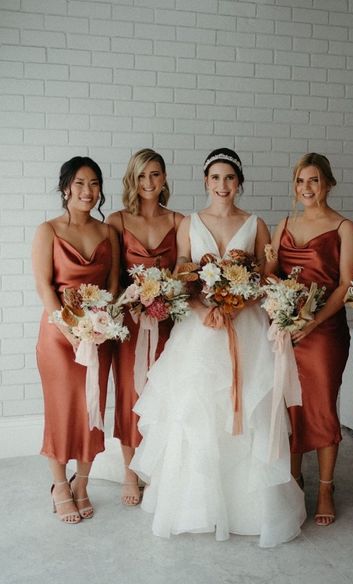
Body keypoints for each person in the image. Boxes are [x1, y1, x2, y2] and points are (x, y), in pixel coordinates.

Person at [130, 148, 306, 546]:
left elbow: (264, 274)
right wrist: (200, 308)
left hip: (244, 325)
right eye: (215, 178)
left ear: (239, 183)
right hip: (200, 327)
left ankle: (250, 507)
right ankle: (197, 505)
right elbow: (181, 272)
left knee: (245, 406)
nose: (222, 185)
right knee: (198, 410)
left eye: (230, 178)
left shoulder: (255, 223)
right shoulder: (189, 223)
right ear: (205, 182)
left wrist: (236, 303)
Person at [266, 153, 353, 526]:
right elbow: (272, 272)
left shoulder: (344, 228)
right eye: (301, 181)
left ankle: (325, 487)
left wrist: (314, 321)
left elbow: (345, 285)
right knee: (289, 406)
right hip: (287, 329)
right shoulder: (284, 224)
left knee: (320, 406)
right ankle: (293, 480)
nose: (307, 188)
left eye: (315, 181)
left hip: (324, 331)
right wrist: (276, 296)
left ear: (329, 184)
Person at [32, 156, 120, 523]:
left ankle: (82, 484)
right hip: (58, 337)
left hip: (99, 335)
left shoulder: (107, 233)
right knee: (62, 411)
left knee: (92, 412)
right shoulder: (48, 230)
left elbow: (113, 284)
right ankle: (59, 485)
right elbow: (44, 286)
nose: (88, 191)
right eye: (81, 183)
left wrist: (101, 324)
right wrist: (70, 330)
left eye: (95, 184)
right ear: (66, 187)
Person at [107, 149, 183, 506]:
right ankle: (130, 471)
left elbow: (186, 274)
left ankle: (161, 468)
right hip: (131, 324)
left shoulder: (179, 221)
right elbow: (110, 279)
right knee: (130, 394)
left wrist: (166, 295)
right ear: (132, 180)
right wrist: (133, 297)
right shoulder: (116, 221)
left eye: (155, 175)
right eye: (141, 176)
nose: (149, 183)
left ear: (164, 178)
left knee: (164, 395)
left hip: (168, 323)